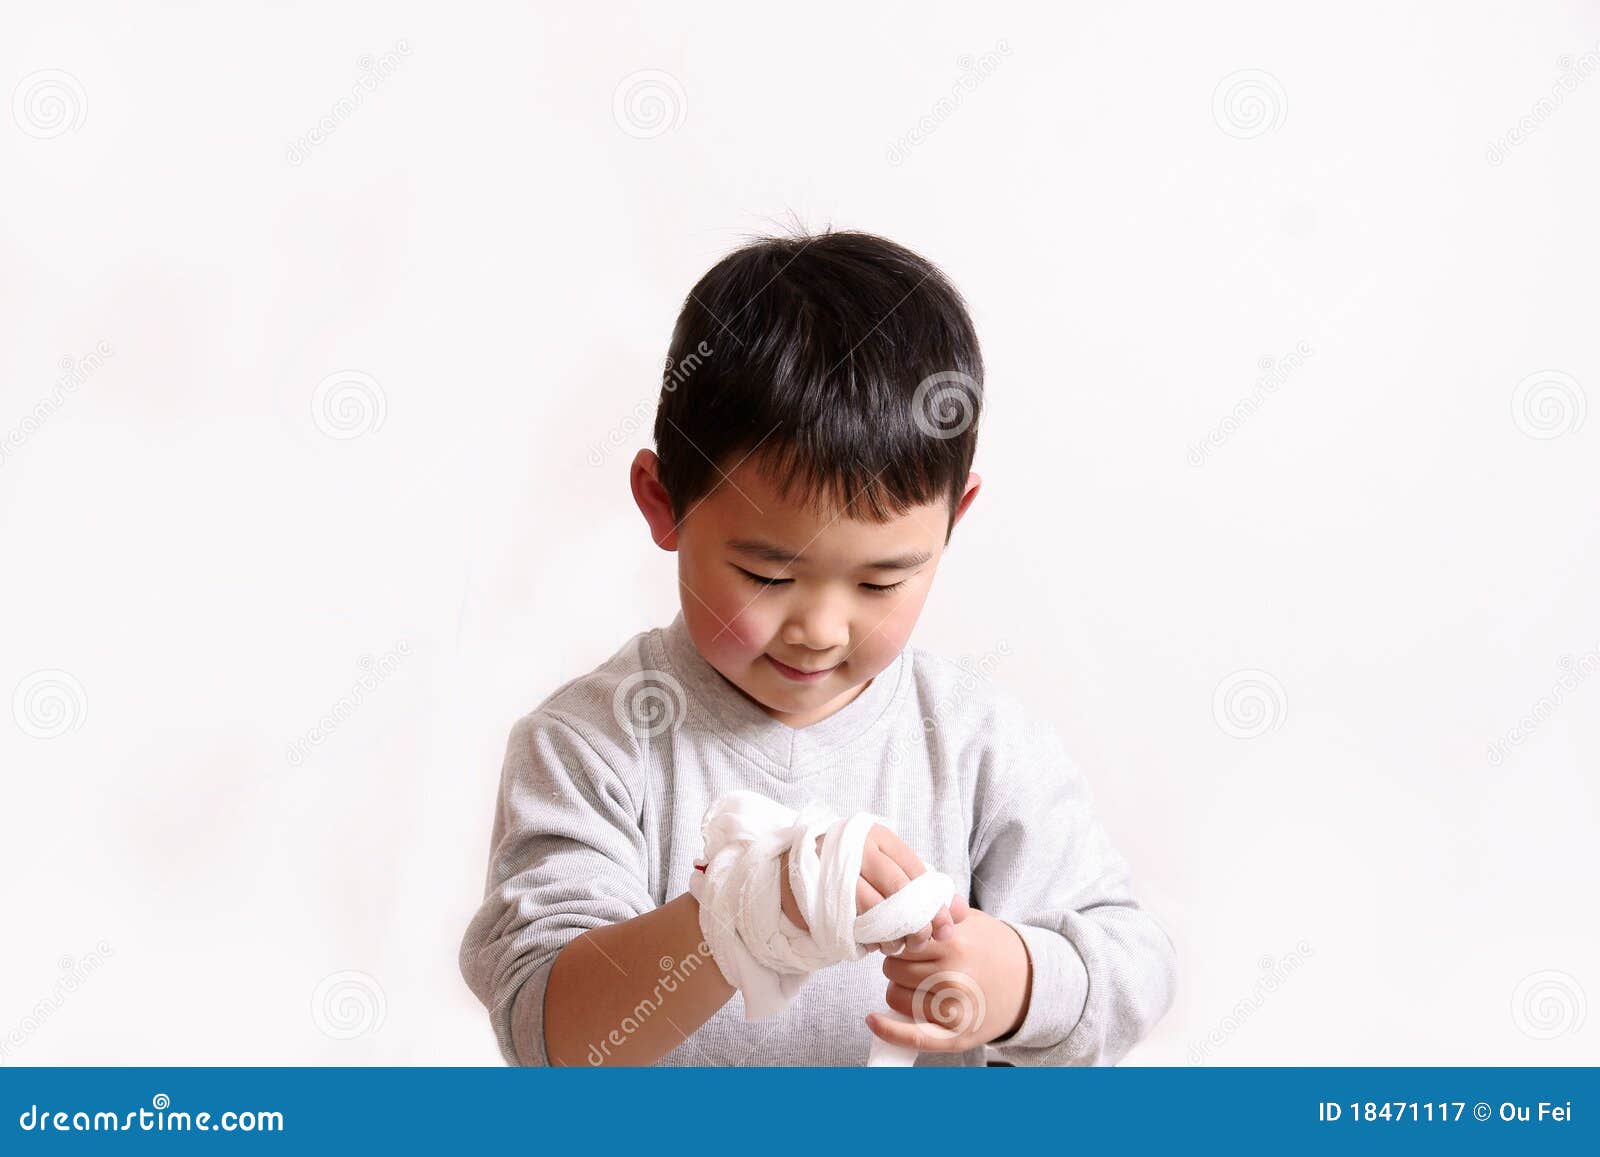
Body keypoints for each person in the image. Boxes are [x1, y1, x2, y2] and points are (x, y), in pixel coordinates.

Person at [458, 227, 1177, 1066]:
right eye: (768, 574)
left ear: (953, 521)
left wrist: (1016, 980)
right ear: (663, 502)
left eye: (880, 582)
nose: (822, 629)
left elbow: (1134, 964)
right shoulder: (591, 747)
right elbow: (550, 1035)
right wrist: (739, 917)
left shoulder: (979, 744)